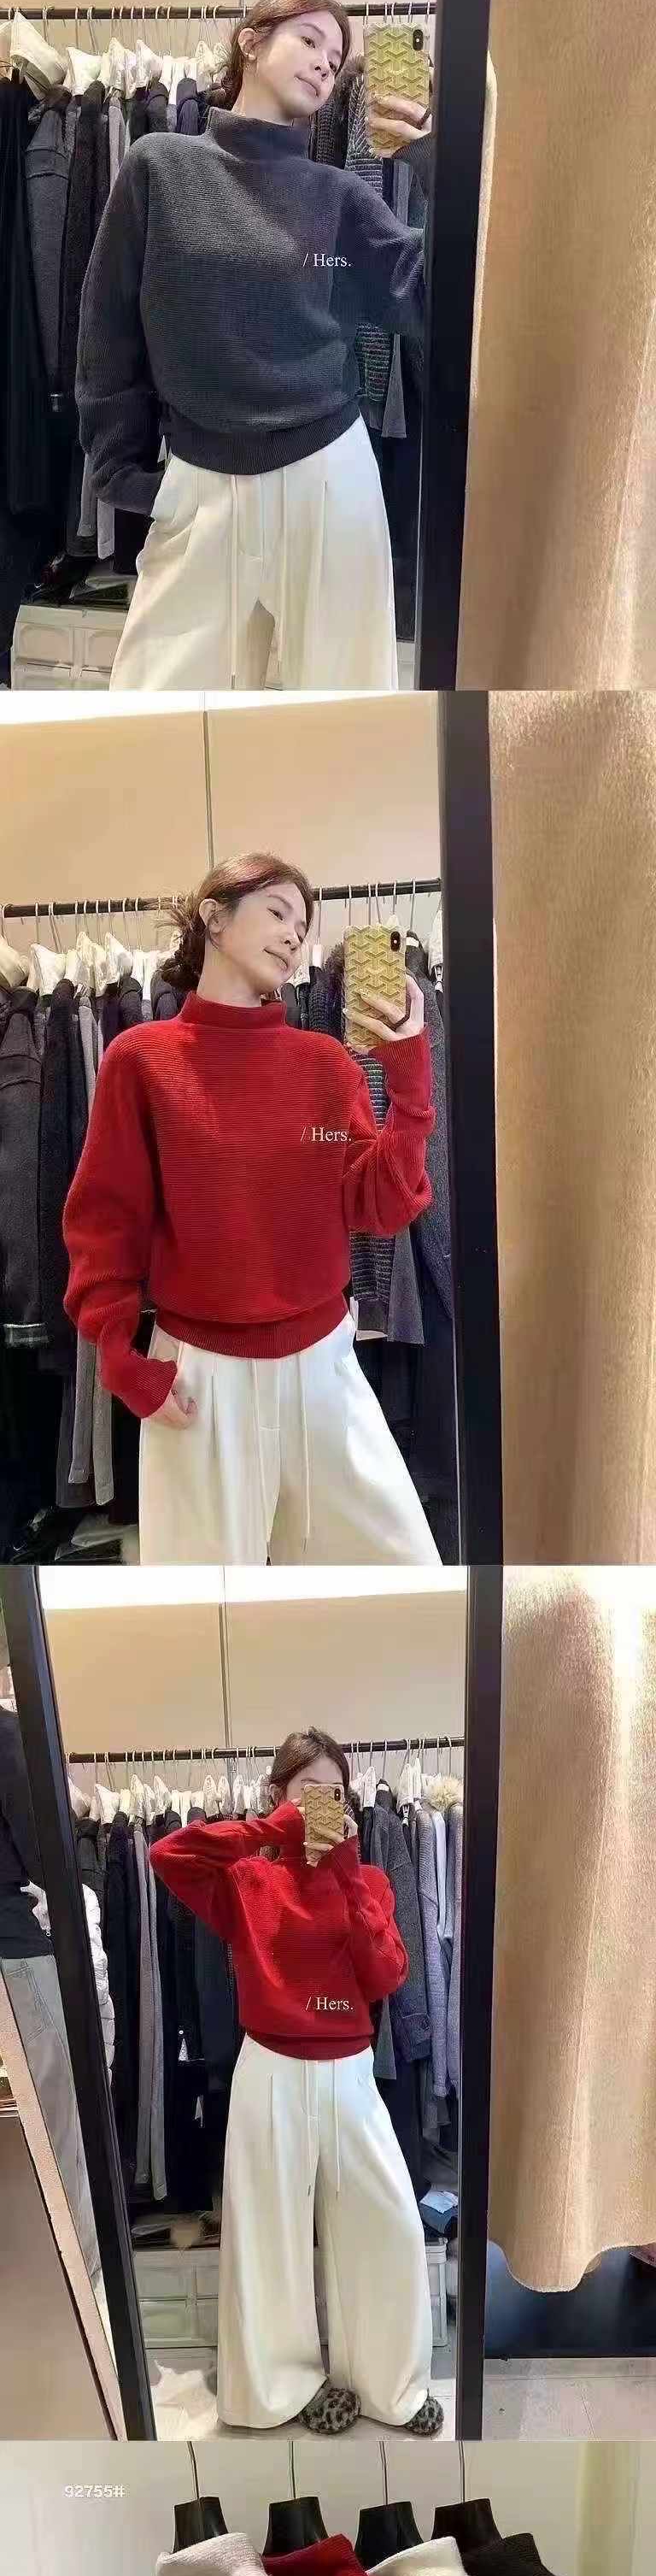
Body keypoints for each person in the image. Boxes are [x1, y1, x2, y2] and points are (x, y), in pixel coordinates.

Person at [63, 855, 441, 1571]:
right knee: (203, 1608)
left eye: (304, 925)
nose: (295, 936)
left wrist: (410, 1087)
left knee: (402, 1578)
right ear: (214, 915)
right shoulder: (140, 1060)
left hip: (325, 1365)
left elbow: (379, 1205)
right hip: (198, 1377)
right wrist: (118, 1356)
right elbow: (105, 1221)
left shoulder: (326, 1065)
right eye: (277, 912)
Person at [75, 0, 428, 691]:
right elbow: (108, 329)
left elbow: (428, 301)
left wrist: (437, 161)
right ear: (251, 41)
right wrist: (123, 474)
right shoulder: (158, 165)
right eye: (309, 40)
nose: (325, 65)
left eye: (335, 59)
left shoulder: (339, 196)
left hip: (328, 471)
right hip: (199, 480)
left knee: (344, 709)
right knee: (154, 707)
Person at [153, 1726, 436, 2423]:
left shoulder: (367, 1881)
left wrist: (347, 1872)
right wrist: (270, 1830)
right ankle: (284, 2390)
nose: (321, 1806)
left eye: (334, 1794)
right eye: (307, 1790)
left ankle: (390, 2387)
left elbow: (387, 1974)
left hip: (350, 2074)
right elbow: (168, 1855)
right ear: (279, 1793)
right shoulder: (249, 1879)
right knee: (268, 2237)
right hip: (271, 2069)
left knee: (391, 2226)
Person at [0, 1678, 114, 2319]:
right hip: (18, 1958)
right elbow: (47, 1859)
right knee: (59, 2132)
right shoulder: (6, 1735)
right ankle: (81, 2306)